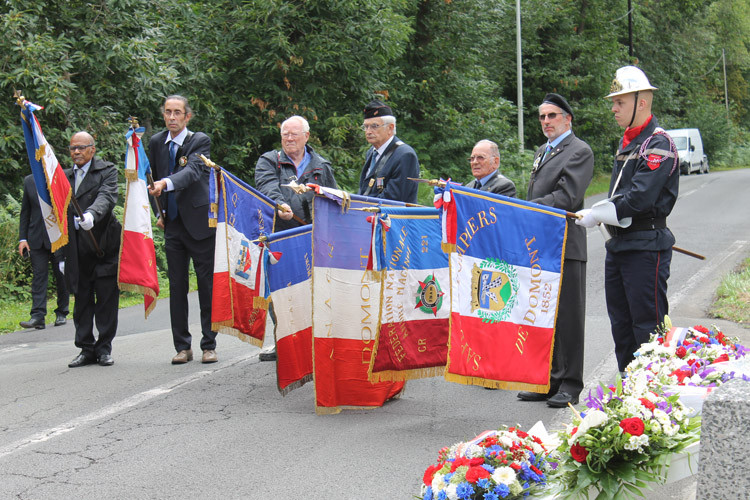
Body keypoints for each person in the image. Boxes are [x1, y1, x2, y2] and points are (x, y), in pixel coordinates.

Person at [576, 66, 678, 373]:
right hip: (620, 246)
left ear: (641, 102)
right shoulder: (629, 142)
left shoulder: (657, 144)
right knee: (621, 327)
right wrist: (600, 214)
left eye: (620, 101)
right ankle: (630, 393)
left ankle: (653, 396)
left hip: (645, 248)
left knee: (647, 327)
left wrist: (598, 213)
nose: (614, 108)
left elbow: (639, 197)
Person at [517, 93, 594, 407]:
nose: (546, 122)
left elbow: (566, 198)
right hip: (542, 247)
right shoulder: (542, 151)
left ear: (567, 118)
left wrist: (525, 208)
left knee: (568, 318)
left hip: (566, 244)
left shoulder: (579, 151)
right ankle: (548, 380)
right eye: (542, 117)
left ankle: (571, 383)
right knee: (544, 314)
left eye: (552, 116)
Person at [254, 115, 338, 361]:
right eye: (284, 135)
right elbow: (266, 186)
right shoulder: (269, 160)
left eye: (293, 134)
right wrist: (279, 203)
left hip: (315, 239)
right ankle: (284, 342)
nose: (289, 139)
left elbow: (332, 198)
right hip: (280, 236)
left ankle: (316, 341)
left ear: (306, 136)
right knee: (279, 292)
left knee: (316, 291)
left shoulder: (322, 166)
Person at [148, 95, 217, 365]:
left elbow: (192, 174)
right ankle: (182, 346)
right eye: (168, 112)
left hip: (200, 224)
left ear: (187, 116)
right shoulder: (156, 142)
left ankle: (208, 344)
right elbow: (150, 177)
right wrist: (158, 212)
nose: (172, 117)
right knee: (177, 287)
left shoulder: (199, 141)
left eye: (177, 113)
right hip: (173, 225)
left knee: (206, 286)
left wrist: (165, 183)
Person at [64, 132, 121, 367]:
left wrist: (91, 214)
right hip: (76, 248)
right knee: (82, 299)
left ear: (92, 149)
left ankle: (104, 347)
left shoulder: (106, 171)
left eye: (81, 147)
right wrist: (59, 254)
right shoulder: (63, 177)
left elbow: (107, 197)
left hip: (103, 244)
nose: (76, 152)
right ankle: (86, 348)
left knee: (107, 297)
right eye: (72, 148)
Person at [18, 174, 69, 330]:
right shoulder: (29, 181)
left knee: (61, 276)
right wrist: (23, 239)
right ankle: (37, 316)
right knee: (39, 277)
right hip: (36, 238)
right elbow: (25, 211)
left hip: (57, 237)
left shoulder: (60, 176)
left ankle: (62, 312)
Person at [358, 100, 420, 204]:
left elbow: (395, 199)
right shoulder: (372, 153)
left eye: (374, 126)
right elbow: (365, 189)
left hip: (393, 218)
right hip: (369, 215)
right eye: (366, 127)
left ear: (390, 128)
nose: (368, 131)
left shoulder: (404, 155)